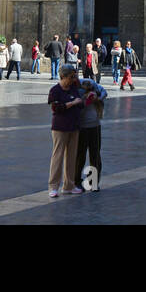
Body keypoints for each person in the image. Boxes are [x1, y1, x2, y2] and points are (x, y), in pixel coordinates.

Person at [47, 65, 86, 197]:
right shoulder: (55, 90)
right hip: (60, 127)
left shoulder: (74, 88)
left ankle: (69, 185)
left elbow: (81, 103)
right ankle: (53, 187)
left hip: (74, 127)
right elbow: (56, 108)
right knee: (58, 156)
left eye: (74, 77)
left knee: (71, 157)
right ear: (63, 76)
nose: (72, 79)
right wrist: (72, 103)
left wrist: (77, 82)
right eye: (71, 77)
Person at [72, 75, 108, 192]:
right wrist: (83, 100)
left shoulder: (92, 85)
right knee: (80, 155)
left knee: (94, 155)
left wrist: (98, 98)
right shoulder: (73, 89)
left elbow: (104, 92)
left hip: (94, 125)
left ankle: (93, 183)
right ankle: (77, 182)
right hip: (82, 127)